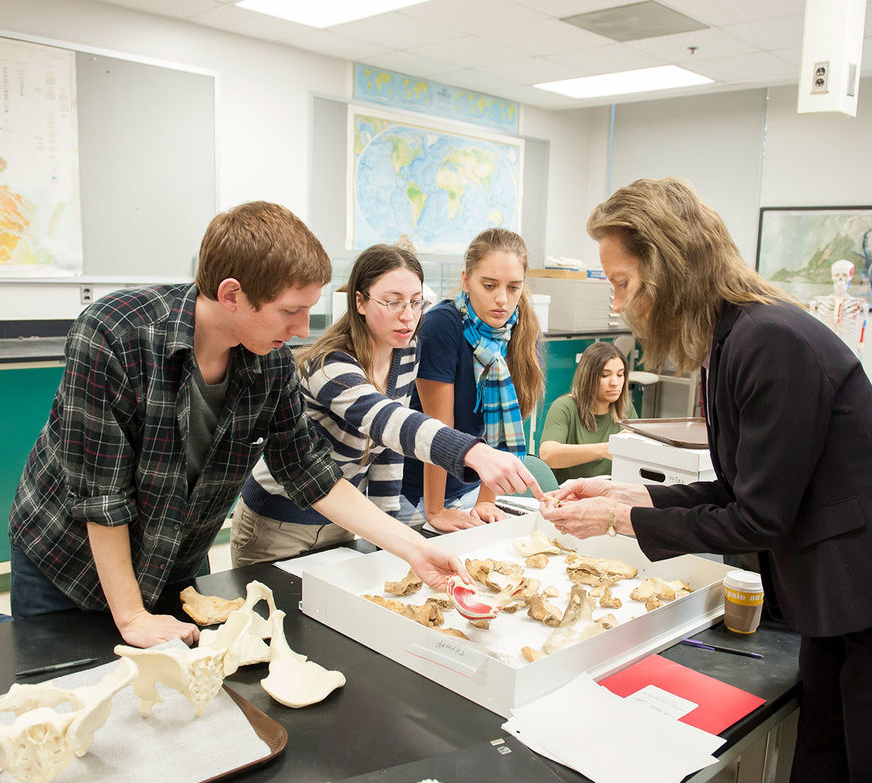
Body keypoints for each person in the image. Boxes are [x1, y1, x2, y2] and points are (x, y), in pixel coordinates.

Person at [539, 177, 872, 783]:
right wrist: (629, 492)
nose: (619, 301)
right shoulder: (729, 344)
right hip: (841, 616)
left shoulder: (771, 339)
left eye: (623, 281)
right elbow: (745, 487)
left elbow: (761, 519)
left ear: (668, 268)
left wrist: (619, 519)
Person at [0, 202, 470, 647]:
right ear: (231, 295)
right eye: (290, 311)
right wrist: (131, 617)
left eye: (309, 310)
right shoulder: (115, 332)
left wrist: (414, 548)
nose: (301, 330)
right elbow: (102, 495)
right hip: (70, 559)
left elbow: (309, 472)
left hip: (171, 556)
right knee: (62, 673)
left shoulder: (267, 361)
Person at [231, 242, 542, 565]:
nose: (407, 317)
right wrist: (473, 452)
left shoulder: (406, 352)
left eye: (416, 302)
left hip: (343, 521)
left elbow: (390, 449)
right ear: (360, 301)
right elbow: (389, 421)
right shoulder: (329, 365)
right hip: (277, 528)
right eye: (392, 302)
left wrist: (389, 547)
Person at [399, 228, 544, 531]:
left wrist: (487, 500)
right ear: (466, 280)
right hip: (416, 495)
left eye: (514, 287)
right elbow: (437, 429)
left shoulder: (519, 331)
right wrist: (436, 510)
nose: (502, 299)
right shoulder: (442, 325)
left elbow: (500, 431)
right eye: (489, 285)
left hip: (467, 489)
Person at [538, 341, 637, 482]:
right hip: (569, 496)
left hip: (610, 494)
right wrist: (605, 449)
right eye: (604, 375)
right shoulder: (565, 407)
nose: (615, 382)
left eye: (620, 375)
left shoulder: (626, 408)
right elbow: (548, 455)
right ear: (588, 377)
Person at [808, 259, 868, 356]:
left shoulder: (857, 303)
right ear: (833, 277)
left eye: (844, 275)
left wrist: (861, 343)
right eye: (837, 275)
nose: (840, 279)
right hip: (823, 345)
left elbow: (864, 320)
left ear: (850, 277)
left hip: (847, 345)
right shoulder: (819, 301)